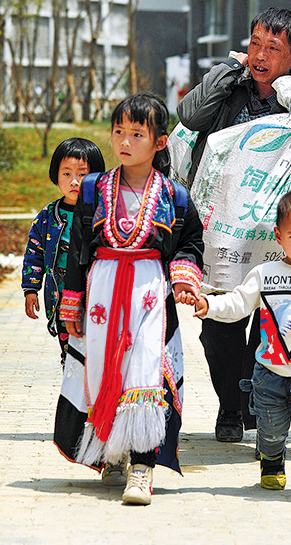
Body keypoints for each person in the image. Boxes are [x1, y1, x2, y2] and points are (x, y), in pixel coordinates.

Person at [56, 93, 204, 505]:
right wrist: (72, 300)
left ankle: (142, 468)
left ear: (159, 142)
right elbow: (78, 247)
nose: (124, 140)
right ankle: (112, 451)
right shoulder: (92, 189)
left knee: (146, 372)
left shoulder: (175, 195)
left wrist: (184, 278)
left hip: (150, 294)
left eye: (136, 133)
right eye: (118, 131)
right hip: (102, 290)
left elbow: (192, 242)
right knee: (105, 370)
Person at [177, 7, 291, 443]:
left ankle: (253, 399)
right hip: (221, 232)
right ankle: (230, 406)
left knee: (270, 321)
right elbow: (190, 116)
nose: (259, 54)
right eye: (254, 43)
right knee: (218, 328)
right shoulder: (229, 90)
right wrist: (227, 68)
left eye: (273, 47)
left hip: (278, 233)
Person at [181, 188, 291, 507]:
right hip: (269, 372)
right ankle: (272, 458)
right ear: (278, 235)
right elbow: (237, 303)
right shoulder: (264, 274)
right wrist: (209, 304)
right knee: (271, 427)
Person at [22, 137, 105, 365]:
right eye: (66, 174)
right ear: (55, 175)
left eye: (82, 174)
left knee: (96, 354)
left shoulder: (103, 214)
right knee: (70, 354)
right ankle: (73, 391)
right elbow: (34, 253)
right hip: (60, 300)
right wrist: (31, 289)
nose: (74, 181)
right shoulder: (48, 217)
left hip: (97, 299)